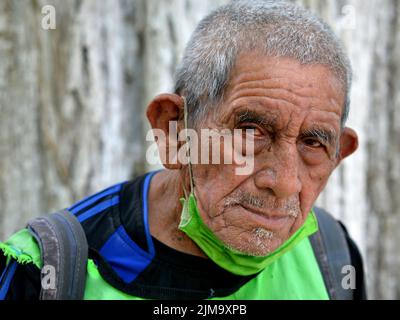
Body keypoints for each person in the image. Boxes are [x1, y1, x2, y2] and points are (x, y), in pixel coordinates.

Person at [0, 0, 366, 300]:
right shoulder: (49, 270)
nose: (285, 183)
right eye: (251, 131)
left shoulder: (332, 258)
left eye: (314, 143)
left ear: (337, 155)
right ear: (174, 131)